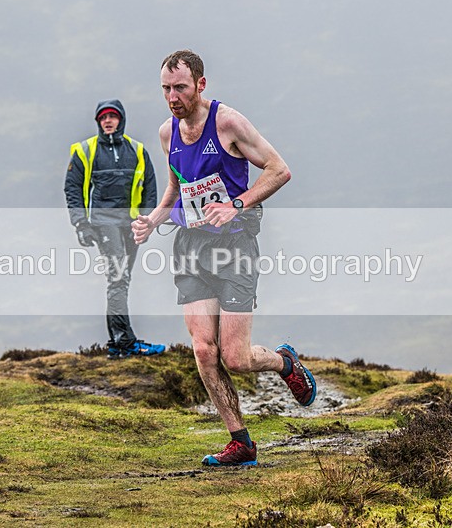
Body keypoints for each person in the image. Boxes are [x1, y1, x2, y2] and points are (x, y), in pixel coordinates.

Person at [132, 50, 317, 466]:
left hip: (235, 247)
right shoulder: (167, 133)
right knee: (204, 350)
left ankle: (284, 362)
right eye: (165, 89)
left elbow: (279, 169)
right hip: (190, 248)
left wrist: (237, 204)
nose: (173, 97)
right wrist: (152, 221)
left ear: (200, 84)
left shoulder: (227, 123)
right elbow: (177, 189)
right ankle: (241, 442)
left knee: (236, 357)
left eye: (180, 87)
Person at [65, 99, 165, 358]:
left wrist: (146, 221)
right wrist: (81, 224)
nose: (107, 121)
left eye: (112, 116)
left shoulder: (138, 150)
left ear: (121, 119)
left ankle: (120, 342)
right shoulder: (86, 150)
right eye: (103, 117)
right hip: (103, 223)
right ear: (98, 122)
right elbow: (73, 188)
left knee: (122, 279)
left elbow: (150, 187)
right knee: (118, 278)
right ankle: (123, 343)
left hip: (130, 224)